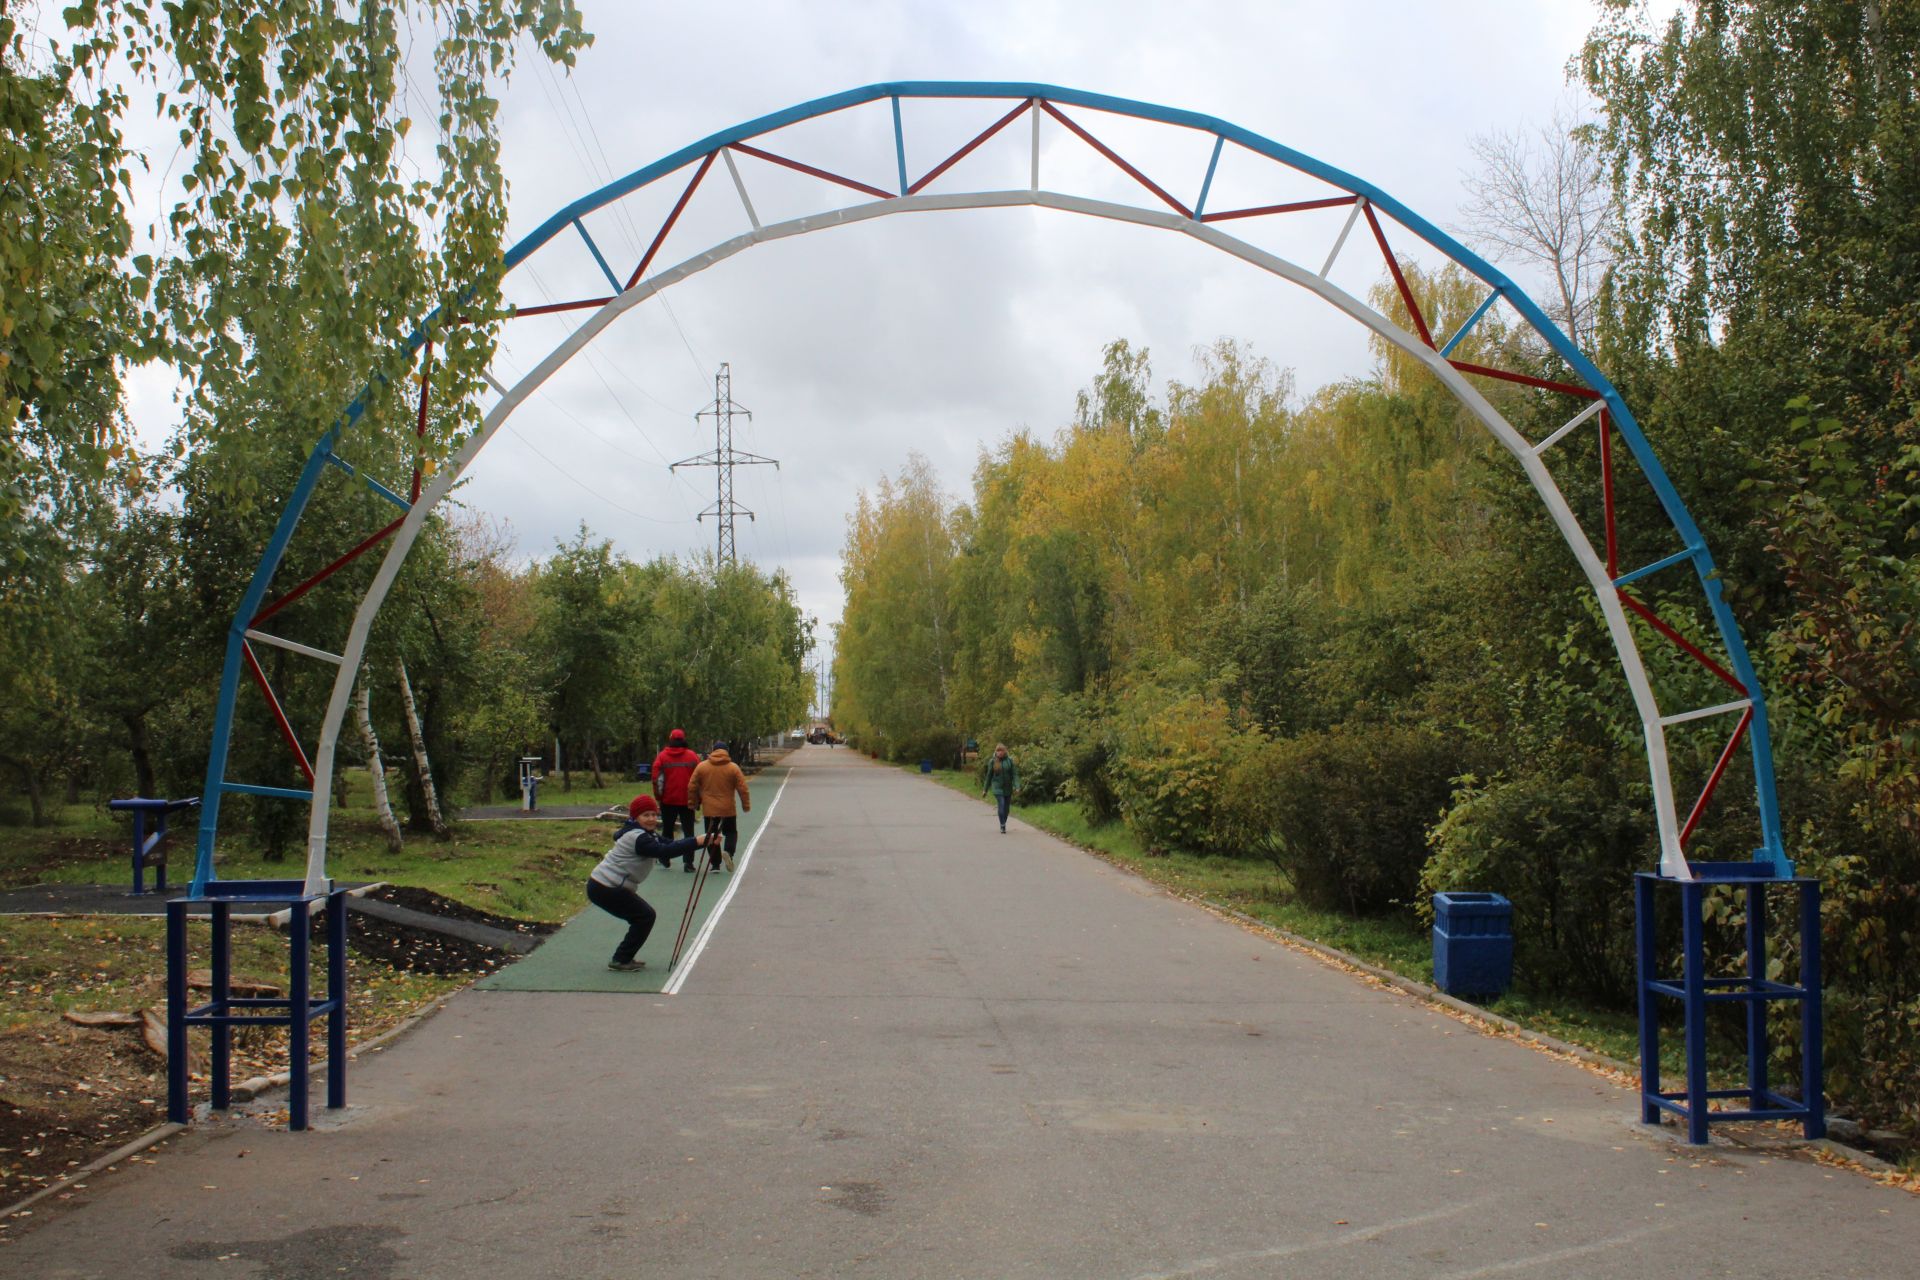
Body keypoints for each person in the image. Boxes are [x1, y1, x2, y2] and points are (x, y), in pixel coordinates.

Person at [587, 794, 720, 971]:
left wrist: (704, 841)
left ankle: (623, 957)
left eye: (653, 815)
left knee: (642, 916)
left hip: (608, 886)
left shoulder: (646, 834)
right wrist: (698, 841)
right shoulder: (638, 838)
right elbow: (664, 851)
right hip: (606, 887)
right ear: (635, 818)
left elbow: (672, 844)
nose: (651, 819)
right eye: (645, 815)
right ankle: (620, 959)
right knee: (644, 916)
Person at [688, 740, 751, 871]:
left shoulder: (702, 767)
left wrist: (693, 803)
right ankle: (728, 852)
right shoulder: (733, 767)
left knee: (711, 835)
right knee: (731, 832)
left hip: (709, 809)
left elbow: (692, 786)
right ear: (726, 751)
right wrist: (745, 805)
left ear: (713, 751)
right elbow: (742, 788)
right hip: (728, 808)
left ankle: (715, 863)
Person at [650, 728, 704, 871]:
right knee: (688, 832)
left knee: (667, 830)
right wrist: (699, 798)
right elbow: (700, 778)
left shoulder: (662, 757)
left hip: (668, 800)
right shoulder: (692, 756)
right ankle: (688, 863)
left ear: (671, 740)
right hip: (687, 801)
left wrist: (658, 797)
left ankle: (665, 857)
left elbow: (656, 779)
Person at [980, 742, 1018, 833]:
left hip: (1008, 787)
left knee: (1006, 809)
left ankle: (1003, 822)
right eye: (998, 751)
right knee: (1001, 804)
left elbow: (1015, 774)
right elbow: (989, 776)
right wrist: (985, 790)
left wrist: (1017, 786)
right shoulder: (992, 761)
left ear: (1005, 751)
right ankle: (1002, 825)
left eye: (1001, 751)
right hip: (997, 787)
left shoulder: (1009, 761)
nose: (999, 752)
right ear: (996, 752)